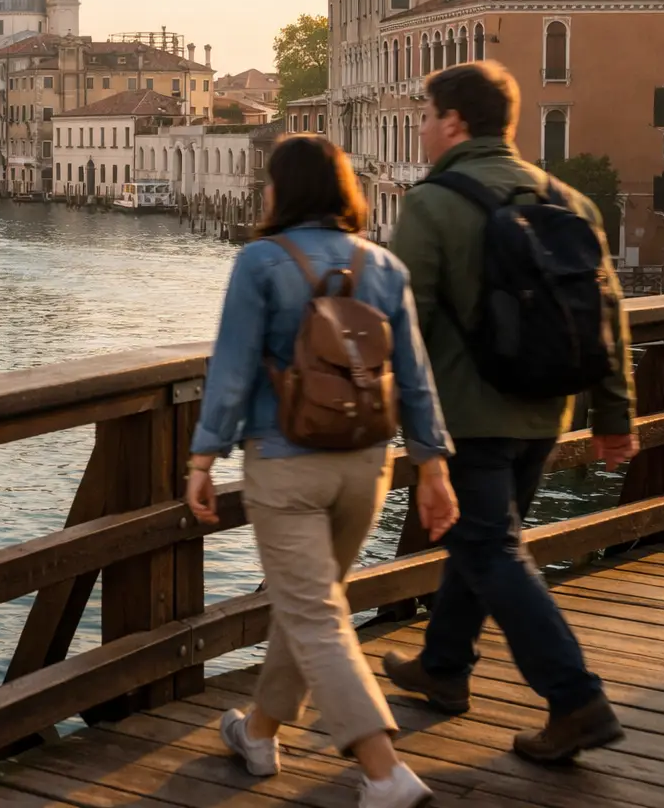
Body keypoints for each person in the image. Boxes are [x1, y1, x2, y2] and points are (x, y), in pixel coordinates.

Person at [187, 134, 458, 808]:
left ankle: (384, 770)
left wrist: (203, 455)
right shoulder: (385, 267)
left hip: (285, 464)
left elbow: (232, 366)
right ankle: (258, 732)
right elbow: (415, 378)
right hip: (366, 465)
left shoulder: (259, 262)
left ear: (284, 191)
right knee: (313, 608)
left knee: (313, 614)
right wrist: (431, 466)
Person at [383, 61, 637, 764]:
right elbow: (605, 315)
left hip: (467, 416)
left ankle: (575, 698)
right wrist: (615, 414)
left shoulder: (431, 205)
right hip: (545, 410)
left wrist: (391, 423)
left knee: (492, 550)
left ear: (455, 123)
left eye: (426, 116)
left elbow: (403, 324)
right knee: (483, 543)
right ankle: (444, 666)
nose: (423, 129)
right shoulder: (569, 201)